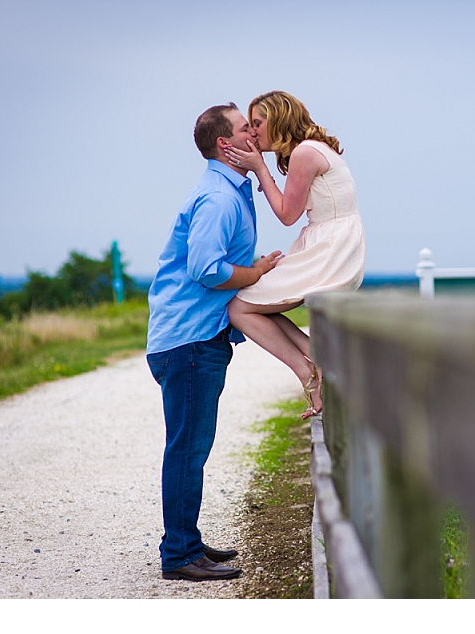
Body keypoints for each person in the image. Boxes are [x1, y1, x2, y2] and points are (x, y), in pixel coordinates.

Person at [146, 103, 283, 581]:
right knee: (187, 447)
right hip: (188, 340)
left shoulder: (228, 191)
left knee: (191, 445)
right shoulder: (219, 199)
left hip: (195, 337)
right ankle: (180, 555)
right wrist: (258, 271)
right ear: (226, 144)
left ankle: (187, 540)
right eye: (247, 127)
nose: (255, 132)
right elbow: (207, 270)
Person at [224, 91, 366, 419]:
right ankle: (316, 361)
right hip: (333, 244)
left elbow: (288, 214)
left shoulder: (305, 153)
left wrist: (260, 168)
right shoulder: (313, 149)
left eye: (258, 123)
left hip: (329, 250)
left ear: (279, 118)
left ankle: (309, 374)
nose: (254, 132)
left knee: (238, 306)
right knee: (256, 306)